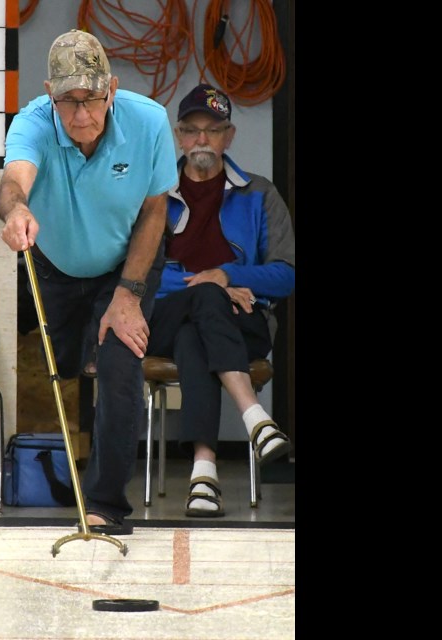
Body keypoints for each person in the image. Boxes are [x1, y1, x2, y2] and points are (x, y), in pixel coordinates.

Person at [0, 29, 179, 530]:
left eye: (91, 100)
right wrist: (16, 212)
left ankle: (104, 508)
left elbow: (155, 209)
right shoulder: (33, 121)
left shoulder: (149, 122)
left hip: (125, 262)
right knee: (67, 365)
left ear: (112, 90)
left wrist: (128, 295)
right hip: (56, 265)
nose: (80, 115)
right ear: (50, 94)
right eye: (67, 101)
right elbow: (12, 182)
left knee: (120, 363)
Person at [145, 83, 296, 518]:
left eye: (213, 131)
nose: (202, 140)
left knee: (197, 336)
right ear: (178, 135)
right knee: (205, 300)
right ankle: (255, 417)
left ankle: (203, 474)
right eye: (192, 130)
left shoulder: (259, 194)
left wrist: (228, 274)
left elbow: (286, 275)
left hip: (243, 321)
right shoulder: (156, 196)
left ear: (229, 136)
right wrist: (213, 284)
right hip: (165, 319)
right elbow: (143, 275)